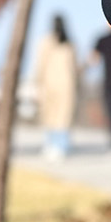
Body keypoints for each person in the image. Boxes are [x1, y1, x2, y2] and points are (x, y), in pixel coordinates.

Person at [35, 14, 79, 159]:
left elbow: (40, 64)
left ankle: (54, 145)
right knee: (62, 116)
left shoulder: (46, 41)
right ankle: (60, 146)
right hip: (66, 84)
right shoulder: (69, 43)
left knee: (51, 114)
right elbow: (75, 67)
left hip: (49, 83)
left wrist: (37, 81)